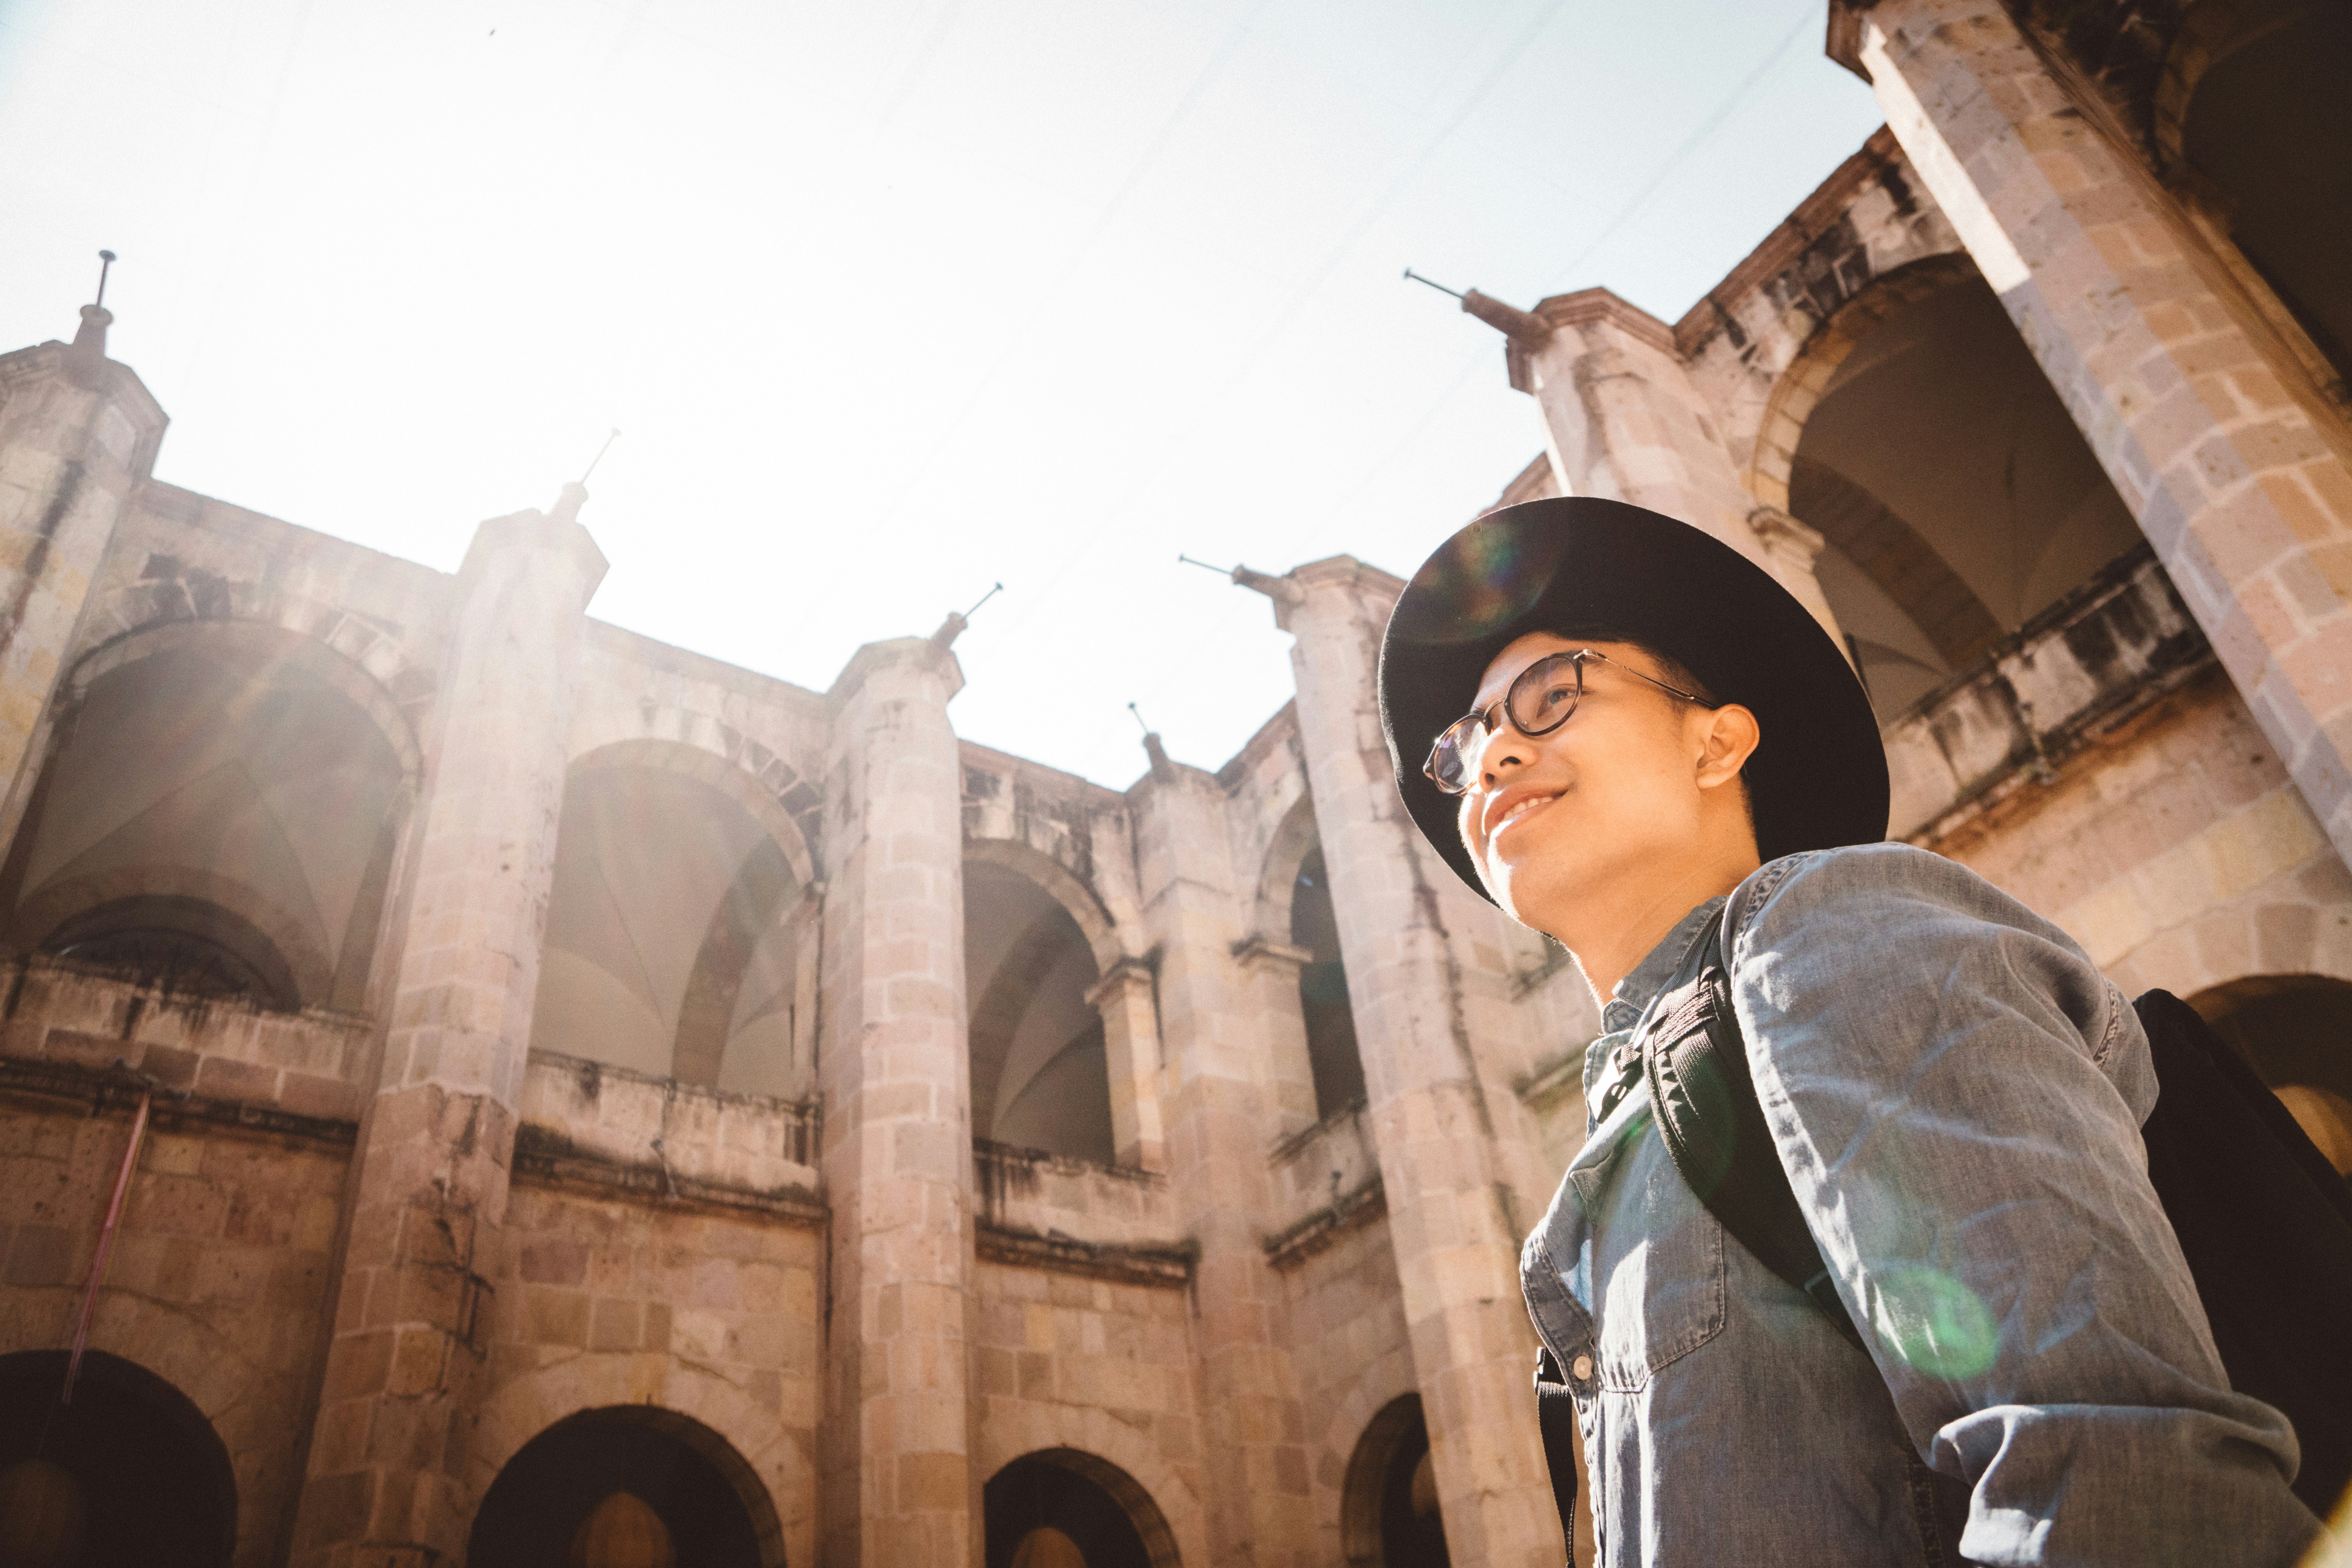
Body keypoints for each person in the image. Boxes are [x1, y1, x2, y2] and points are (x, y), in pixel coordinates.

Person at [1375, 497, 2329, 1566]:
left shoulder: (1823, 931)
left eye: (1552, 697)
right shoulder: (1621, 1131)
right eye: (1463, 746)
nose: (1492, 756)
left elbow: (2112, 1468)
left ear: (1716, 743)